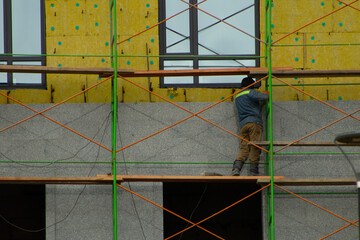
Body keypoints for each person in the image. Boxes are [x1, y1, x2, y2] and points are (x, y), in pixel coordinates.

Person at [232, 77, 269, 176]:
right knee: (255, 146)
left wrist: (260, 104)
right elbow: (265, 97)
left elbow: (251, 106)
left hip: (243, 125)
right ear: (250, 85)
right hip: (254, 123)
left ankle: (236, 169)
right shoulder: (250, 92)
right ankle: (253, 171)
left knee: (244, 148)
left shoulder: (238, 95)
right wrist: (266, 93)